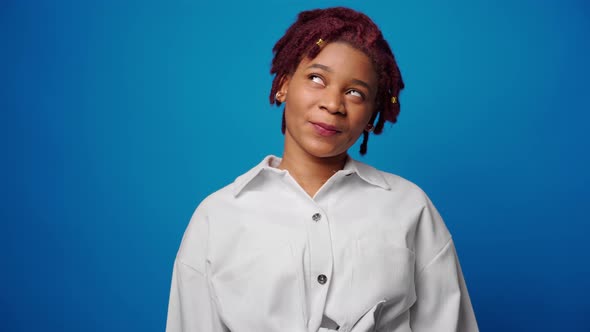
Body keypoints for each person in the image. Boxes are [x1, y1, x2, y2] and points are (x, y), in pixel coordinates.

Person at [166, 7, 478, 332]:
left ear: (372, 116)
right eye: (317, 78)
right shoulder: (217, 216)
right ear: (284, 84)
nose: (333, 104)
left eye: (355, 93)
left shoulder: (410, 208)